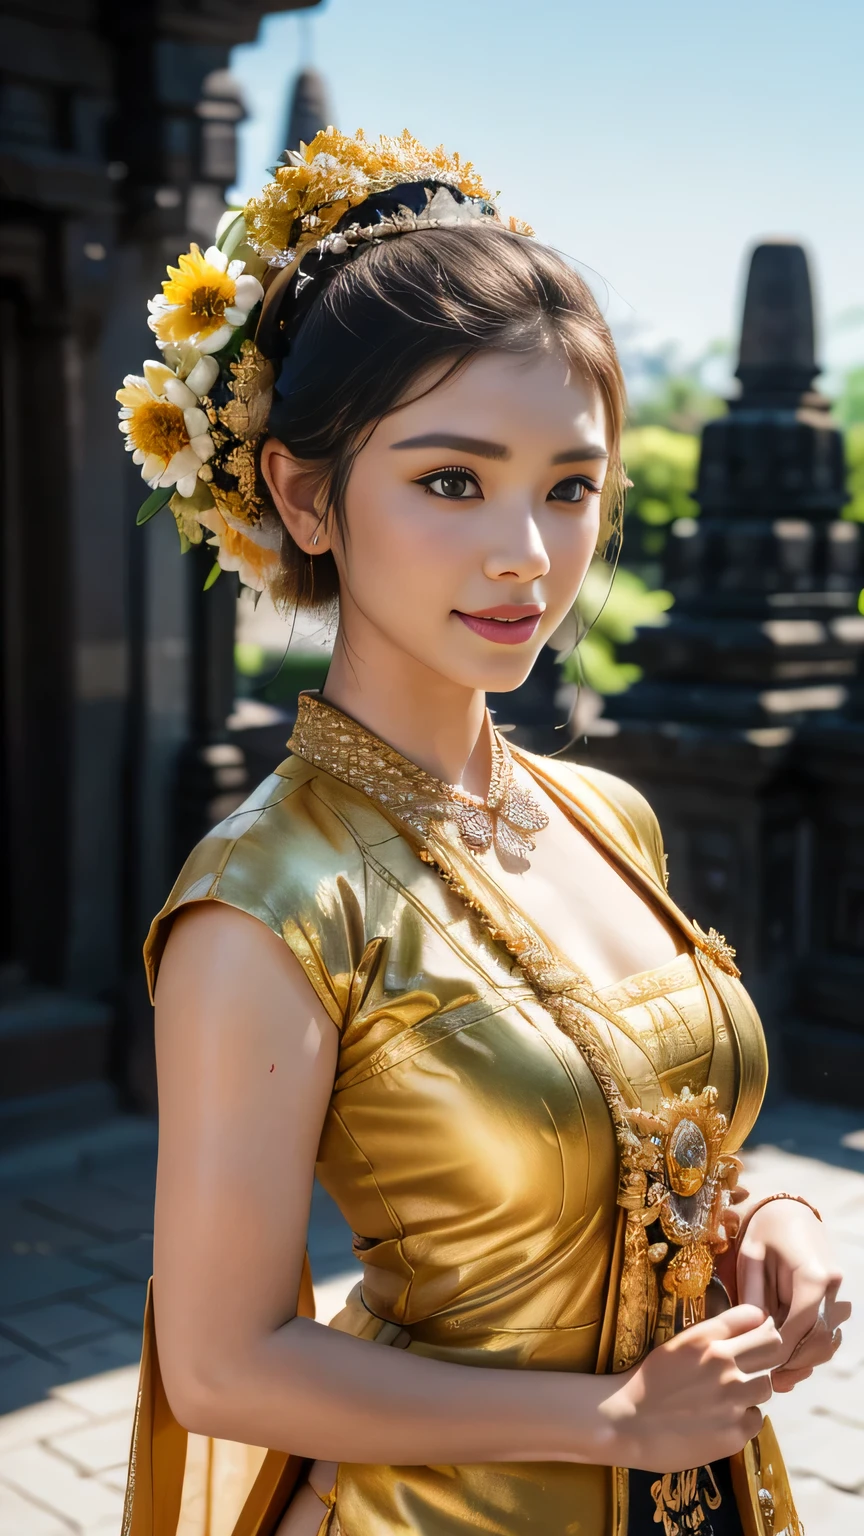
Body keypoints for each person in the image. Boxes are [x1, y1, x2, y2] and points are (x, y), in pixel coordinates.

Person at [117, 130, 849, 1536]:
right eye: (453, 481)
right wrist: (612, 1420)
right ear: (303, 493)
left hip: (709, 1496)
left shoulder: (604, 810)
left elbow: (648, 1146)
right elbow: (218, 1364)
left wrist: (766, 1228)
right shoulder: (271, 899)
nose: (528, 549)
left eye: (571, 486)